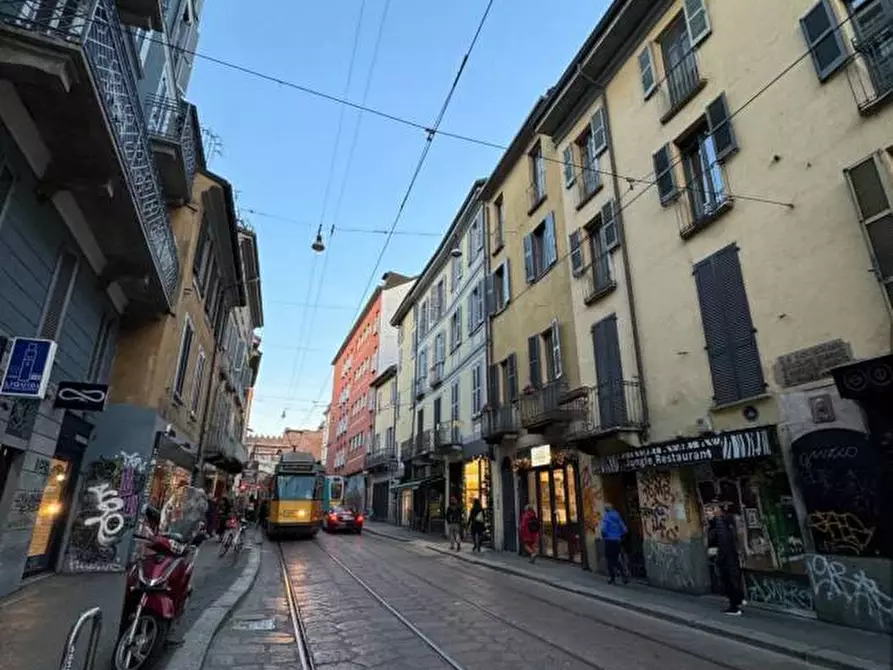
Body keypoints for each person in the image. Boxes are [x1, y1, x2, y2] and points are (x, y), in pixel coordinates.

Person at [707, 502, 744, 615]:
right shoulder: (718, 523)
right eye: (706, 511)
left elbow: (723, 543)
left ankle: (734, 607)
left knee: (729, 582)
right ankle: (737, 602)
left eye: (709, 511)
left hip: (726, 559)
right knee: (730, 581)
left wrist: (719, 558)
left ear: (716, 512)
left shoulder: (719, 524)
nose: (707, 513)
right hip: (728, 558)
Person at [600, 501, 628, 584]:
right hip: (617, 540)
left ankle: (612, 578)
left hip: (609, 540)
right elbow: (624, 529)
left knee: (609, 559)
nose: (604, 509)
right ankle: (623, 574)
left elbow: (604, 529)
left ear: (607, 509)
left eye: (605, 507)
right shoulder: (617, 515)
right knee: (615, 558)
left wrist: (604, 535)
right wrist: (619, 535)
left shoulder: (607, 516)